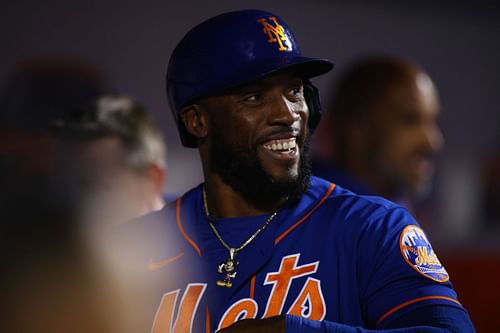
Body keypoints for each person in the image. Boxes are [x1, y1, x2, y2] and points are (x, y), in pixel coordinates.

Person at [118, 10, 475, 332]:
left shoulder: (373, 227)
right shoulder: (135, 247)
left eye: (294, 90)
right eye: (254, 97)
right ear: (196, 121)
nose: (287, 114)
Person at [312, 56, 444, 209]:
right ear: (356, 129)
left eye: (433, 121)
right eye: (410, 120)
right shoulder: (306, 210)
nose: (433, 142)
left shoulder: (395, 210)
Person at [52, 94, 167, 224]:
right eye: (66, 188)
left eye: (95, 190)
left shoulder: (192, 230)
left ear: (152, 180)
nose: (78, 209)